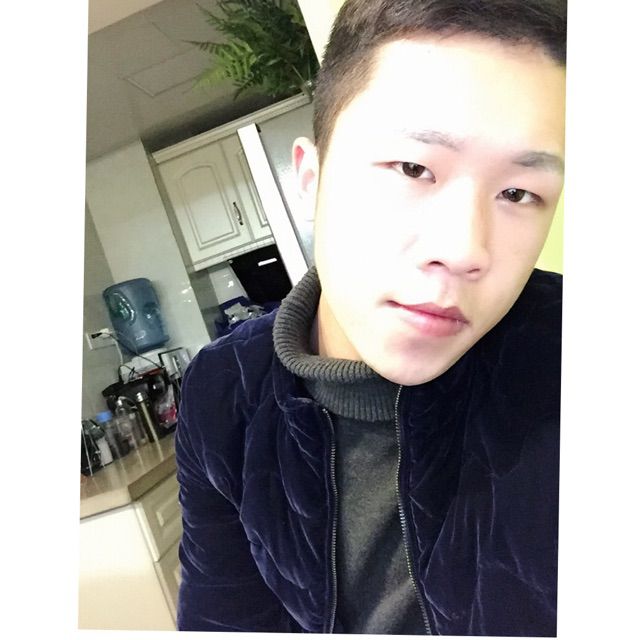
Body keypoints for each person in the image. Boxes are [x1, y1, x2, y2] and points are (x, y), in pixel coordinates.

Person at [174, 0, 566, 635]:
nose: (465, 249)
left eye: (518, 193)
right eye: (413, 167)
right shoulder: (223, 394)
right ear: (310, 179)